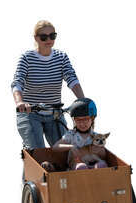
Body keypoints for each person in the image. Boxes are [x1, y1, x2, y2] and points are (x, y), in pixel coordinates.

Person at [11, 20, 85, 149]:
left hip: (54, 113)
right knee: (37, 153)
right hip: (30, 114)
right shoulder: (27, 58)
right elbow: (18, 82)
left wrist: (82, 100)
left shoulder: (61, 57)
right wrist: (19, 102)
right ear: (36, 38)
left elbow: (72, 79)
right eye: (43, 37)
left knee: (65, 152)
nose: (48, 40)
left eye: (52, 36)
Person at [53, 98, 108, 170]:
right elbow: (55, 147)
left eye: (85, 119)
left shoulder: (96, 136)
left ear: (92, 119)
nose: (82, 123)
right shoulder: (71, 134)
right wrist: (71, 146)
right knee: (81, 167)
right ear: (74, 120)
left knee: (102, 165)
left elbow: (103, 156)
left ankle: (100, 179)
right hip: (76, 163)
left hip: (93, 162)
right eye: (78, 120)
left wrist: (100, 150)